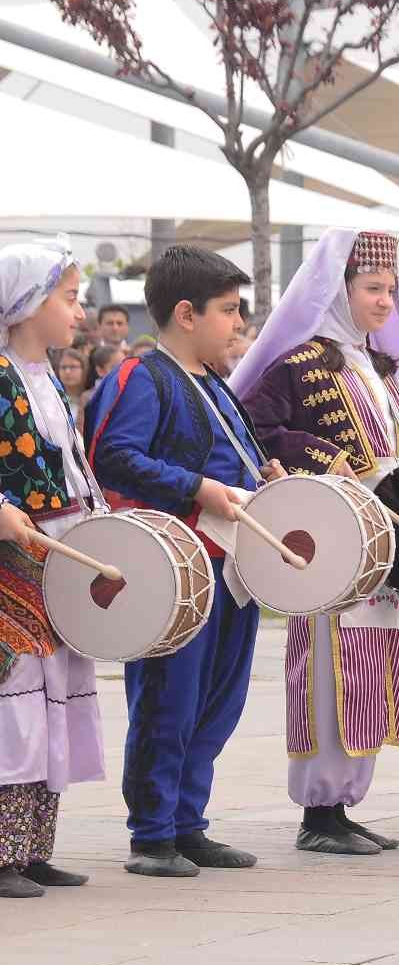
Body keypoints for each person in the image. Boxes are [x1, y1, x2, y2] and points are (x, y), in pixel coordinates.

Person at [233, 229, 399, 856]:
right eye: (372, 289)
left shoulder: (382, 371)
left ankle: (344, 803)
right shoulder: (300, 364)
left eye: (390, 291)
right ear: (337, 292)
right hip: (331, 541)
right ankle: (319, 812)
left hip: (382, 538)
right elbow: (255, 429)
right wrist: (325, 456)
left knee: (375, 662)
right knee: (329, 665)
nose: (384, 303)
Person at [89, 245, 275, 876]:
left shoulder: (218, 385)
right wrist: (195, 486)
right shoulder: (143, 376)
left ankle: (189, 822)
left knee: (220, 697)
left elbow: (237, 463)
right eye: (230, 312)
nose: (239, 325)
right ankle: (152, 831)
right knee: (168, 698)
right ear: (187, 314)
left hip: (233, 565)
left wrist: (266, 472)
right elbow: (113, 455)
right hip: (176, 569)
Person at [0, 236, 105, 899]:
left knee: (53, 698)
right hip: (13, 563)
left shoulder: (48, 381)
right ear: (29, 303)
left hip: (55, 558)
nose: (79, 311)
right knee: (14, 703)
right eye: (69, 298)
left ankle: (34, 847)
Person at [55, 346, 89, 426]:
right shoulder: (53, 398)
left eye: (73, 367)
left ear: (84, 369)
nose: (67, 371)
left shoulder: (91, 398)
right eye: (63, 367)